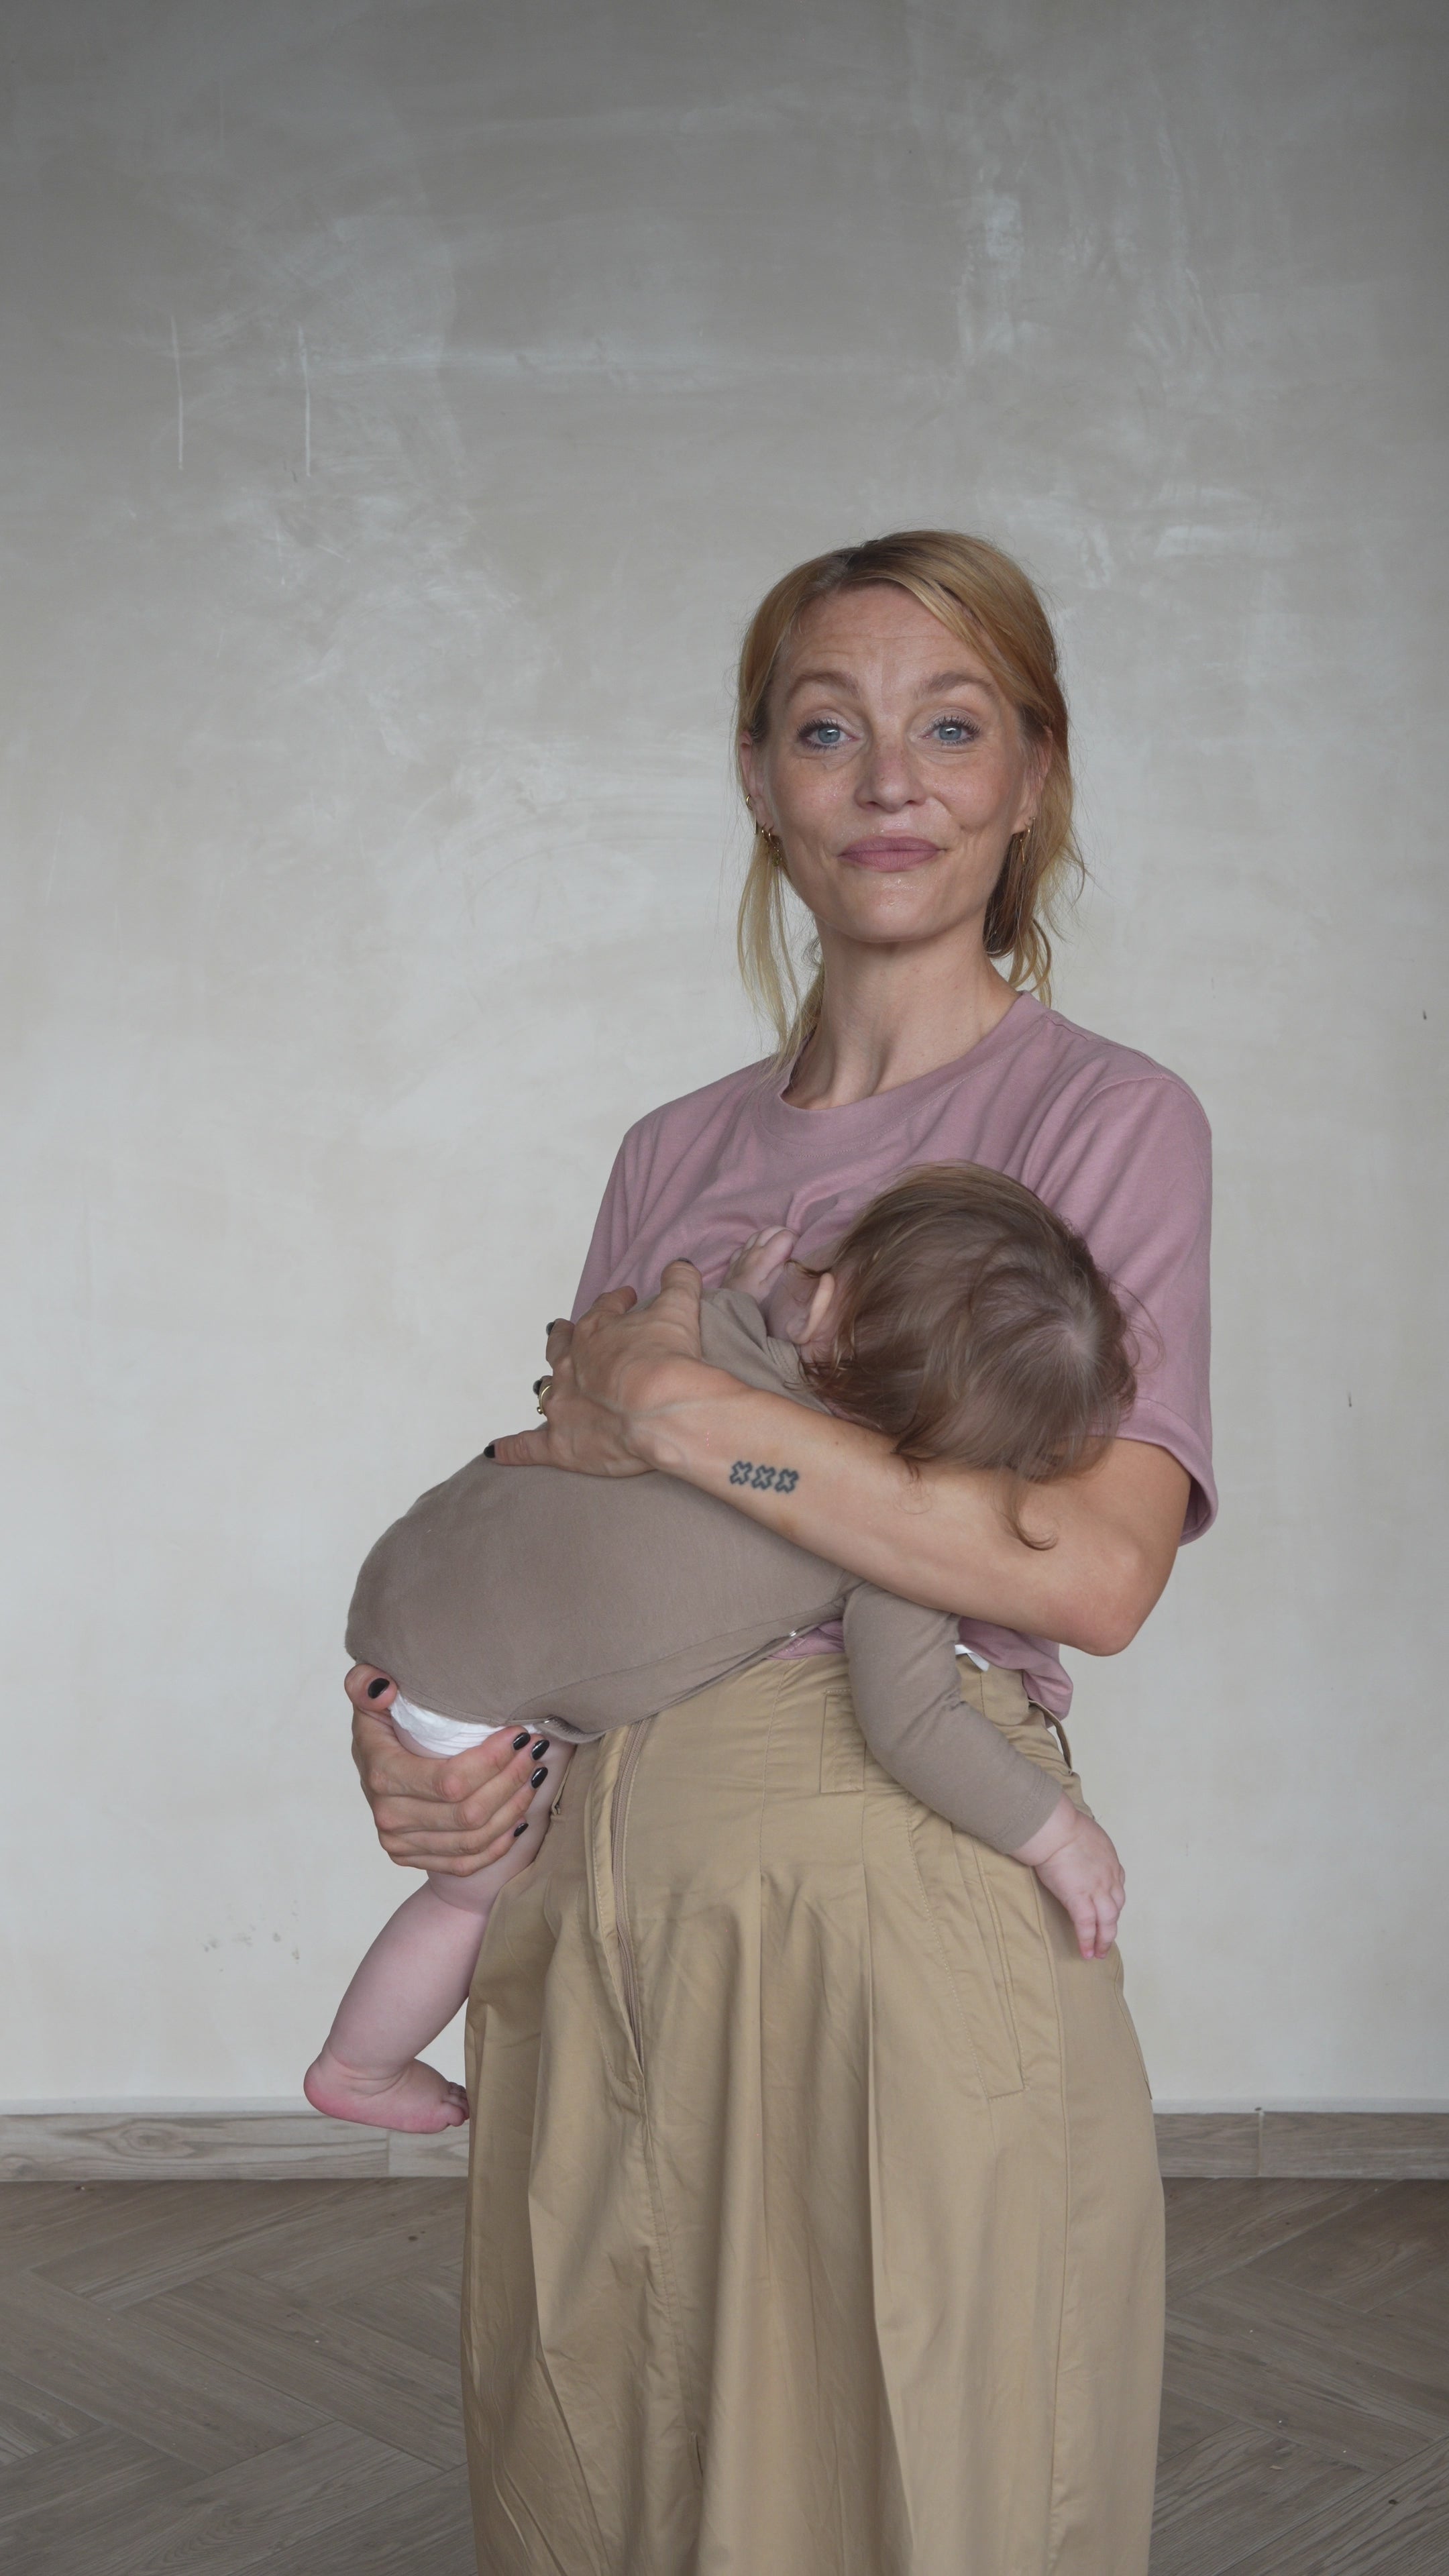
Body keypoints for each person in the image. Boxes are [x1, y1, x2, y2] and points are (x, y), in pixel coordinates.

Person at [345, 531, 1213, 2575]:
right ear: (759, 776)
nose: (890, 781)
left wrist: (688, 1414)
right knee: (615, 2479)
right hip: (597, 1928)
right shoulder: (672, 1153)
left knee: (934, 2477)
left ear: (1033, 773)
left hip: (899, 1914)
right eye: (829, 731)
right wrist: (406, 1730)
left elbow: (1090, 1574)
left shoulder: (1106, 1123)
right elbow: (556, 1519)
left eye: (953, 728)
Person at [309, 1165, 1135, 2135]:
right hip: (472, 1693)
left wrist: (747, 1288)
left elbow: (707, 1337)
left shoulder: (699, 1337)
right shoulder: (894, 1549)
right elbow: (914, 1727)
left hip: (419, 1563)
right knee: (471, 1899)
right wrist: (1056, 1835)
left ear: (820, 1298)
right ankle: (358, 2068)